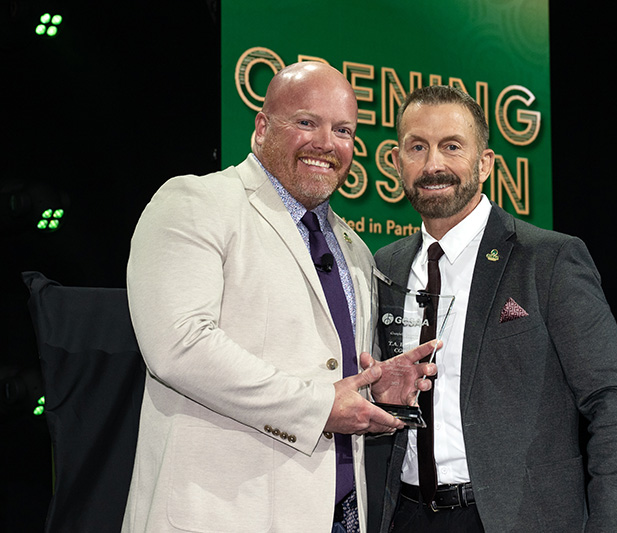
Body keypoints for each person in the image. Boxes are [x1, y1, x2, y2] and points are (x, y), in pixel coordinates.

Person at [122, 62, 436, 533]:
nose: (326, 143)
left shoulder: (353, 248)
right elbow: (179, 347)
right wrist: (318, 406)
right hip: (221, 515)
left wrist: (376, 390)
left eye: (343, 130)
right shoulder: (194, 202)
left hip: (339, 515)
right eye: (307, 122)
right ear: (263, 126)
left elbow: (333, 376)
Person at [366, 85, 617, 532]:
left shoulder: (549, 259)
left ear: (485, 164)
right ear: (398, 162)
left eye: (451, 147)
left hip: (518, 520)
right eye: (417, 147)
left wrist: (611, 525)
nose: (433, 164)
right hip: (404, 516)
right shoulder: (384, 265)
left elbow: (614, 402)